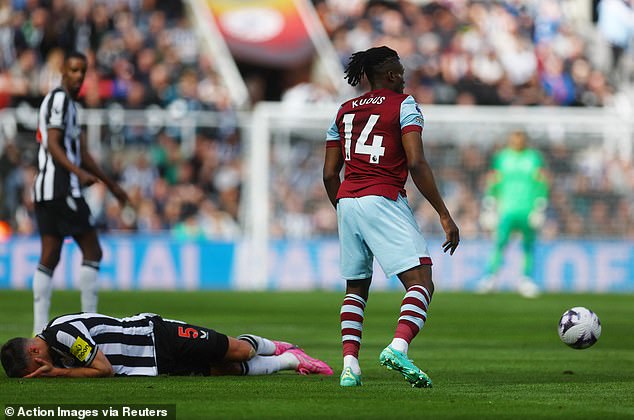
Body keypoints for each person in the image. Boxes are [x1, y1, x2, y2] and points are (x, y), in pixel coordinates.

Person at [323, 46, 460, 388]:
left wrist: (343, 207)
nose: (404, 77)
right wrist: (444, 213)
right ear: (392, 75)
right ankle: (398, 348)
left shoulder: (343, 111)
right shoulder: (404, 104)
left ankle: (350, 367)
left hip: (347, 200)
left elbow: (328, 174)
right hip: (382, 197)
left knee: (355, 287)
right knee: (422, 281)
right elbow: (416, 162)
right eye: (400, 71)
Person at [31, 51, 129, 335]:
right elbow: (52, 143)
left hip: (49, 190)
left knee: (50, 255)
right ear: (62, 70)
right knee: (93, 250)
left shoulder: (72, 106)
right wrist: (78, 173)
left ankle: (40, 331)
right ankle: (91, 323)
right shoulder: (60, 100)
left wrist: (111, 185)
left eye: (82, 72)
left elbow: (83, 153)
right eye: (73, 70)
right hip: (62, 189)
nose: (78, 76)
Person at [1, 312, 333, 378]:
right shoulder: (57, 348)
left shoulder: (60, 335)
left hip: (156, 336)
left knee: (238, 351)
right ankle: (291, 361)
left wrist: (56, 374)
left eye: (35, 368)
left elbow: (103, 369)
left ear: (33, 351)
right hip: (154, 364)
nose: (40, 372)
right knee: (225, 369)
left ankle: (275, 346)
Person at [477, 130, 549, 298]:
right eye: (514, 138)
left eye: (520, 138)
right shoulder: (502, 157)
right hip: (506, 209)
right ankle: (490, 277)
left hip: (527, 209)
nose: (517, 141)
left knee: (528, 245)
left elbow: (541, 181)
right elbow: (494, 180)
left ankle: (526, 279)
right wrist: (489, 203)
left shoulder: (533, 157)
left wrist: (540, 205)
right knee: (500, 243)